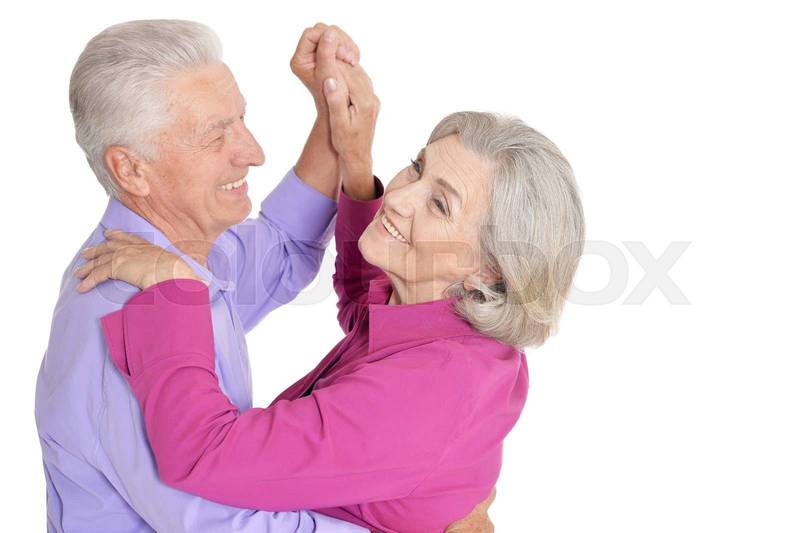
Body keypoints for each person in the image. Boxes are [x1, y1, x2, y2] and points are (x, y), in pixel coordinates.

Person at [78, 28, 586, 532]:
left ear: (489, 268)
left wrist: (173, 291)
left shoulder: (428, 392)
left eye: (439, 204)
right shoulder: (444, 317)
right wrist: (354, 162)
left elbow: (204, 456)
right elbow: (369, 306)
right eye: (417, 168)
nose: (399, 197)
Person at [35, 18, 435, 532]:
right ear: (131, 169)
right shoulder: (124, 311)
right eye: (215, 135)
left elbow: (284, 246)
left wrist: (333, 116)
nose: (254, 152)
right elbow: (224, 523)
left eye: (241, 119)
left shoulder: (182, 253)